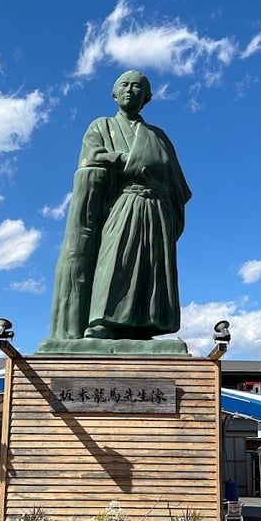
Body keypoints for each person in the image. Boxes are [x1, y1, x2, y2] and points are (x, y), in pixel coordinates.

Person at [48, 70, 191, 341]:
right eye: (124, 85)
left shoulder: (158, 136)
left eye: (137, 86)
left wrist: (169, 214)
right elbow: (92, 158)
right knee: (116, 261)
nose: (130, 90)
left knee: (151, 267)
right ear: (114, 94)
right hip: (123, 203)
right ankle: (103, 322)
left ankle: (143, 325)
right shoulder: (101, 126)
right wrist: (127, 160)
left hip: (156, 209)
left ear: (146, 97)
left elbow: (176, 183)